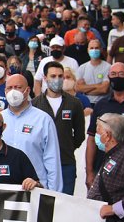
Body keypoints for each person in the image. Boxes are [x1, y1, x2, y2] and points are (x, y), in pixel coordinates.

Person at [1, 74, 63, 192]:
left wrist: (54, 193)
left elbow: (52, 159)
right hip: (4, 188)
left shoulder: (43, 119)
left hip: (35, 188)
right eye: (9, 88)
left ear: (27, 90)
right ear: (4, 91)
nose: (13, 91)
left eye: (18, 87)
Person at [32, 62, 85, 194]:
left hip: (65, 162)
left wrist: (66, 146)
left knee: (65, 204)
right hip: (40, 164)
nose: (57, 79)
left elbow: (80, 135)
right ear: (45, 78)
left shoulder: (74, 103)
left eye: (60, 76)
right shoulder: (35, 104)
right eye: (53, 76)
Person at [76, 40, 111, 105]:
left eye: (96, 48)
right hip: (86, 103)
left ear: (101, 50)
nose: (94, 50)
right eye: (91, 48)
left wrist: (85, 89)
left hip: (103, 103)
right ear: (88, 50)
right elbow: (78, 88)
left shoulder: (108, 67)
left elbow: (104, 89)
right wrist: (98, 85)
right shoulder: (82, 67)